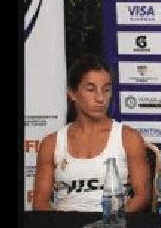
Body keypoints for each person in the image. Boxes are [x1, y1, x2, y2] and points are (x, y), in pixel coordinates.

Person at [32, 55, 151, 212]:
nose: (101, 98)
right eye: (91, 89)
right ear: (72, 94)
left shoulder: (129, 138)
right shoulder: (51, 143)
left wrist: (110, 222)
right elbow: (40, 203)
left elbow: (143, 197)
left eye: (106, 89)